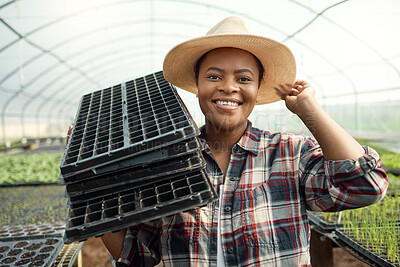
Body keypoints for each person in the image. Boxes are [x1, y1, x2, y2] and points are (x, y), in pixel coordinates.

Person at [73, 16, 388, 266]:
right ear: (197, 87)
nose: (228, 87)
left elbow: (364, 186)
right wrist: (95, 187)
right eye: (213, 76)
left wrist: (307, 108)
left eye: (243, 78)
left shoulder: (290, 153)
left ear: (256, 89)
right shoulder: (166, 164)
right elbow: (137, 254)